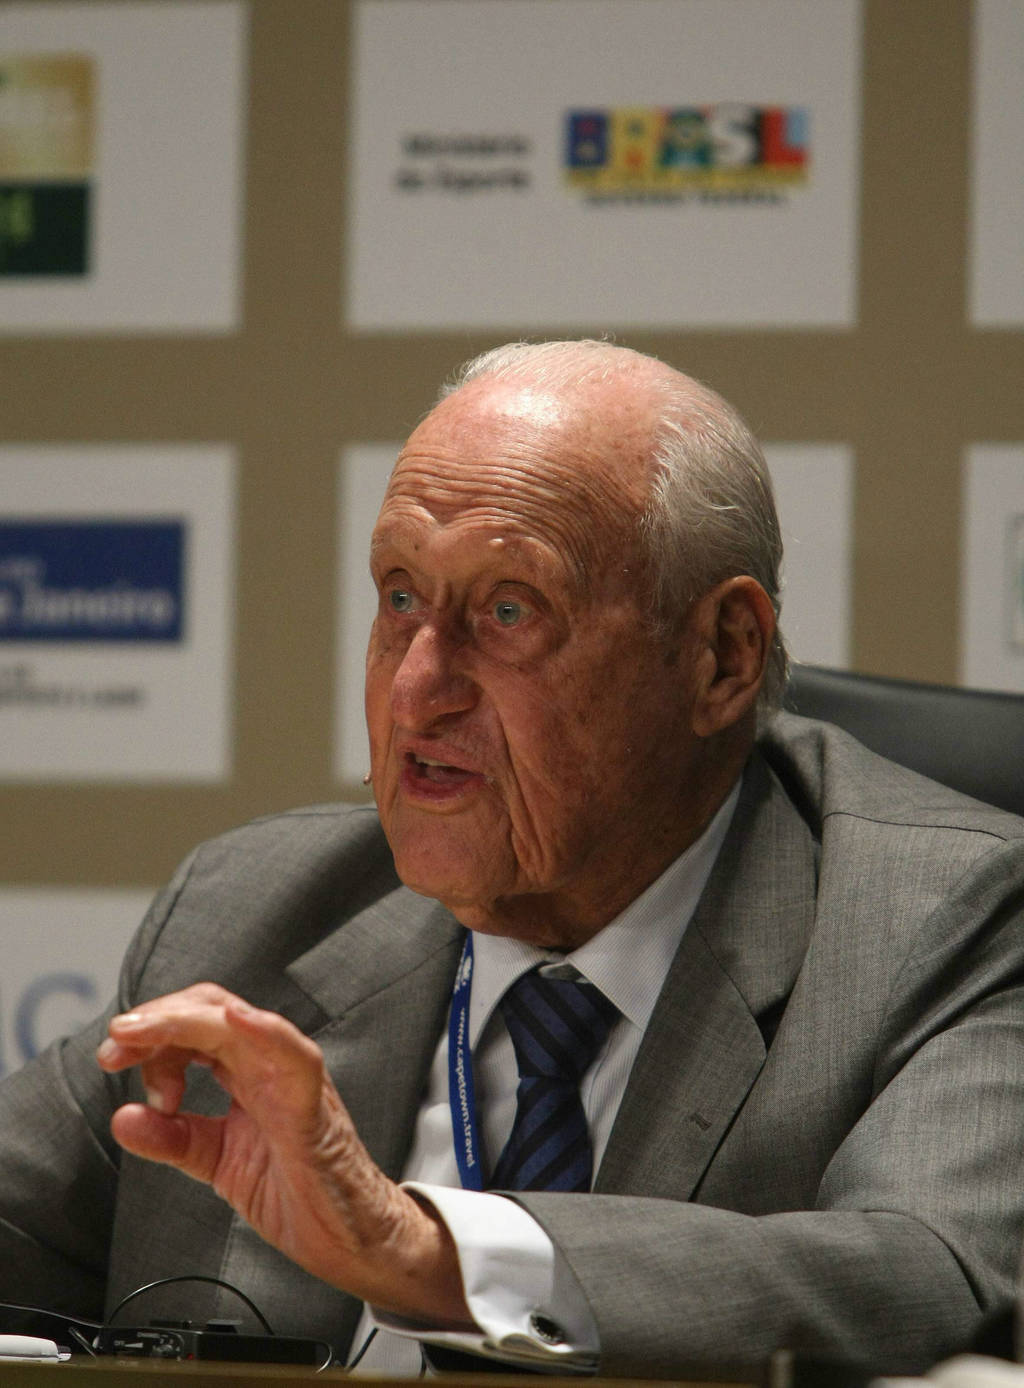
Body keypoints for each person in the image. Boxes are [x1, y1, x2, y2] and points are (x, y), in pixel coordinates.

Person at [0, 339, 1022, 1378]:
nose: (415, 692)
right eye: (401, 597)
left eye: (507, 610)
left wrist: (424, 1251)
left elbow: (941, 1284)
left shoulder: (943, 919)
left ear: (722, 656)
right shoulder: (253, 911)